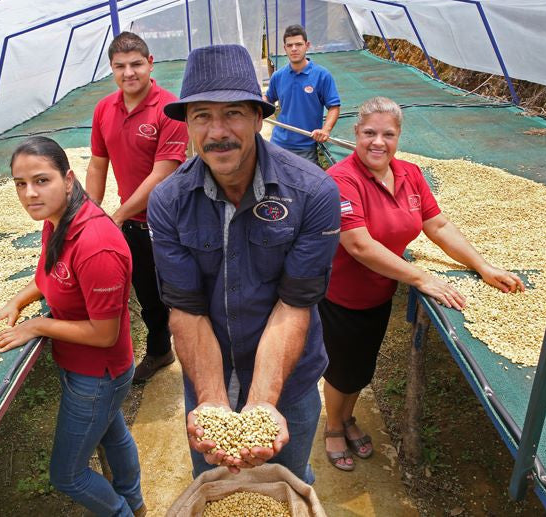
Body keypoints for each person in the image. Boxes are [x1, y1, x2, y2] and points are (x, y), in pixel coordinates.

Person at [147, 44, 341, 484]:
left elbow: (295, 305)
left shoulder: (312, 193)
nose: (218, 131)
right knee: (216, 485)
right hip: (207, 368)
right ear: (188, 125)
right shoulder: (168, 202)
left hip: (288, 378)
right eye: (202, 116)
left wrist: (261, 403)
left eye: (233, 112)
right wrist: (212, 399)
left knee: (284, 480)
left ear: (259, 117)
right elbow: (187, 309)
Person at [321, 96, 525, 471]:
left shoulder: (410, 175)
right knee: (341, 369)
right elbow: (359, 245)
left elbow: (439, 226)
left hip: (381, 292)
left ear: (398, 137)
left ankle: (348, 418)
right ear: (356, 133)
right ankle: (333, 426)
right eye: (369, 133)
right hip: (344, 297)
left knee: (363, 366)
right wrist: (422, 277)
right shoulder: (340, 180)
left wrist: (482, 266)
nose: (377, 142)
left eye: (388, 134)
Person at [0, 137, 146, 516]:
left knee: (67, 474)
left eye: (41, 180)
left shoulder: (96, 244)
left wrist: (39, 325)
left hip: (98, 374)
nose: (29, 193)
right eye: (21, 183)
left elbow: (104, 334)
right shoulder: (57, 221)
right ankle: (134, 503)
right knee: (112, 435)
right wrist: (16, 302)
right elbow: (51, 276)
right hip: (84, 369)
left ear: (68, 180)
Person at [87, 31, 189, 383]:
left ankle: (206, 357)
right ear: (112, 70)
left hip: (173, 222)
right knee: (148, 295)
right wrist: (88, 212)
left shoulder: (169, 108)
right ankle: (160, 350)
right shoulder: (104, 109)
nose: (128, 73)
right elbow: (97, 164)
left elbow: (162, 175)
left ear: (150, 63)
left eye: (135, 64)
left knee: (186, 293)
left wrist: (116, 214)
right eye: (120, 66)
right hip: (134, 224)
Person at [264, 24, 341, 166]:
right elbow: (268, 99)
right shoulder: (278, 76)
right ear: (285, 48)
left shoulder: (322, 75)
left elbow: (334, 107)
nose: (294, 49)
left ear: (307, 45)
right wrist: (253, 104)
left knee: (306, 187)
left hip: (305, 147)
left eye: (298, 44)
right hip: (278, 144)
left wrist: (326, 129)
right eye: (290, 45)